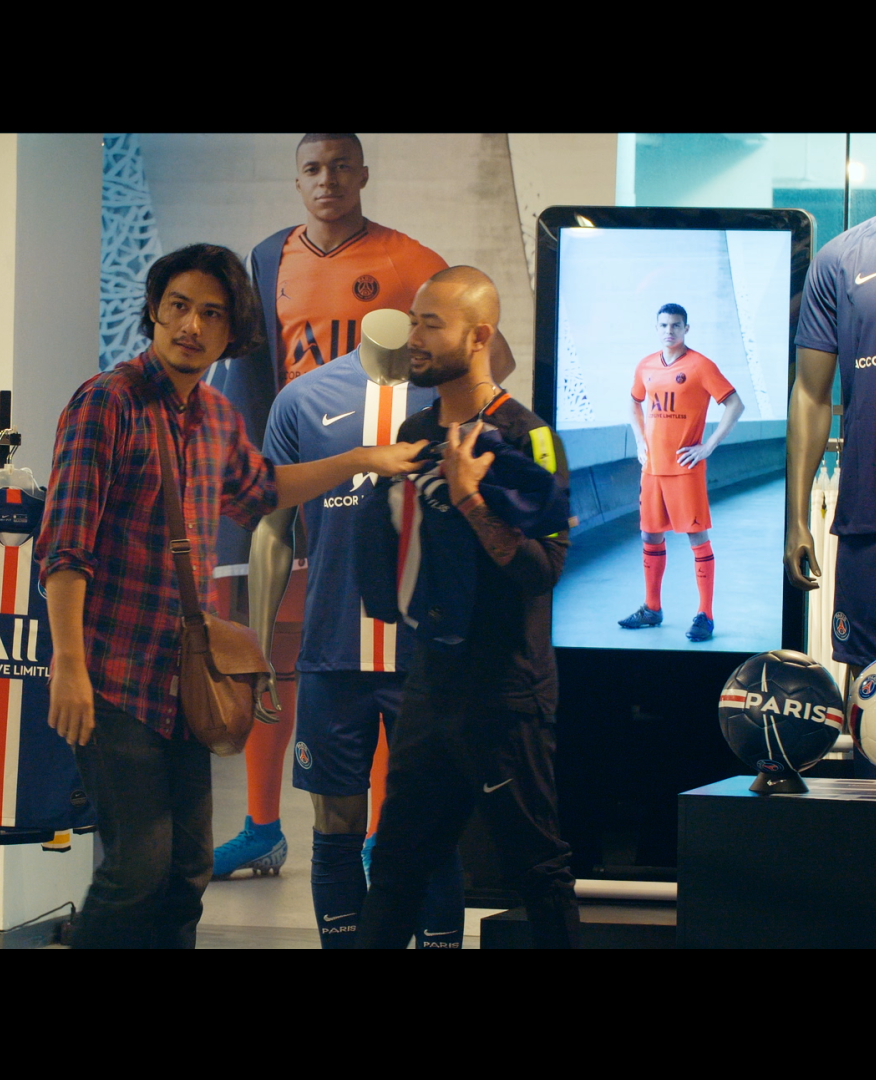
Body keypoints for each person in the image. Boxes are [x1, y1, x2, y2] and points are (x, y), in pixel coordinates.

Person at [35, 243, 424, 949]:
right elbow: (65, 544)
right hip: (112, 673)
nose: (192, 325)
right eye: (179, 306)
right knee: (137, 866)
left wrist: (361, 459)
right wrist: (68, 663)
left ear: (230, 330)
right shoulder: (107, 401)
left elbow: (263, 492)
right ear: (154, 311)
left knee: (186, 871)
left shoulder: (215, 414)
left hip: (187, 676)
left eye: (211, 314)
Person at [213, 132, 515, 878]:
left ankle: (385, 834)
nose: (328, 181)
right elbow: (252, 375)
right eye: (314, 169)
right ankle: (261, 826)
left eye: (342, 167)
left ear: (363, 174)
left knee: (380, 653)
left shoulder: (408, 259)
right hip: (306, 473)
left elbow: (490, 359)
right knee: (292, 655)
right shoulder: (269, 259)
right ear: (297, 180)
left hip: (388, 480)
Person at [354, 266, 579, 950]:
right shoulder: (416, 429)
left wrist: (471, 499)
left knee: (537, 870)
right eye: (413, 322)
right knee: (395, 868)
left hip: (506, 693)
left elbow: (544, 572)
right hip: (430, 686)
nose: (414, 338)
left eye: (431, 324)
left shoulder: (528, 435)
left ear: (478, 337)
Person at [618, 304, 745, 643]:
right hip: (652, 469)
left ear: (686, 328)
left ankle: (706, 615)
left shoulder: (701, 365)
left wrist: (709, 446)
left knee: (697, 538)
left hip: (685, 469)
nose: (669, 331)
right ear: (656, 327)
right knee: (649, 536)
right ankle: (651, 608)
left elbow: (735, 404)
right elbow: (633, 402)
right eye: (663, 325)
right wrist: (640, 440)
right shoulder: (646, 365)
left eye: (676, 325)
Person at [786, 216, 876, 679]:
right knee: (867, 693)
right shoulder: (840, 258)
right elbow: (810, 393)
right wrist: (797, 518)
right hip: (868, 516)